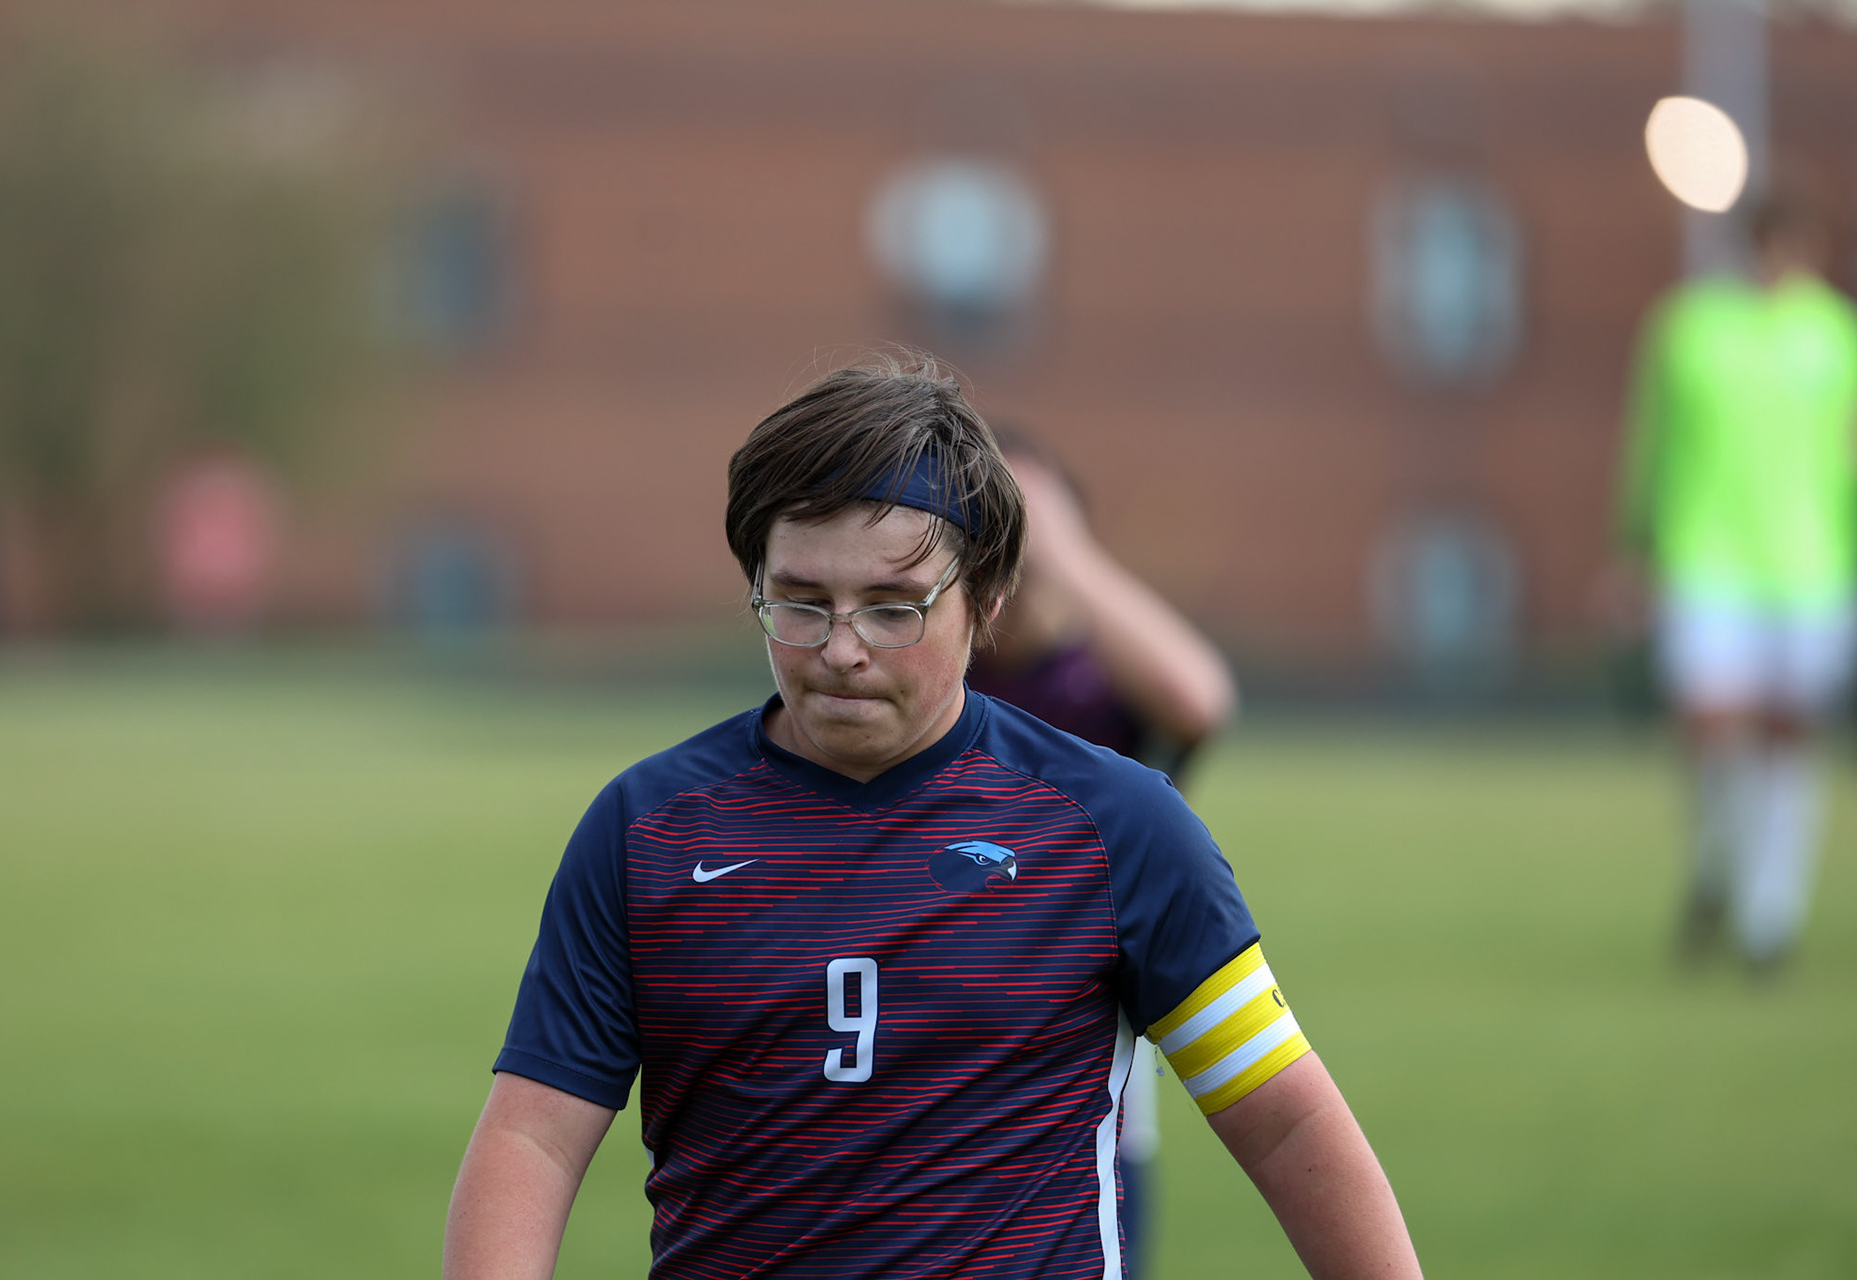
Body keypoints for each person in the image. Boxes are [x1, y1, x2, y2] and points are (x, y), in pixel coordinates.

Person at [445, 356, 1420, 1279]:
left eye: (892, 605)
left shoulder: (1119, 828)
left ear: (986, 599)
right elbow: (532, 1132)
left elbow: (1287, 1119)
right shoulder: (646, 831)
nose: (841, 648)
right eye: (801, 600)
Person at [967, 429, 1236, 1280]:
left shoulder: (1102, 682)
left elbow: (1199, 698)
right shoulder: (941, 680)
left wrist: (1061, 552)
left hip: (1089, 1046)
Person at [1616, 196, 1857, 972]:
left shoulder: (1834, 338)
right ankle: (1720, 860)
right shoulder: (1690, 330)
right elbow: (1654, 446)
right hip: (1707, 559)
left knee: (1787, 735)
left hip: (1811, 564)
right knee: (1712, 723)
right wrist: (1635, 546)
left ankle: (1769, 917)